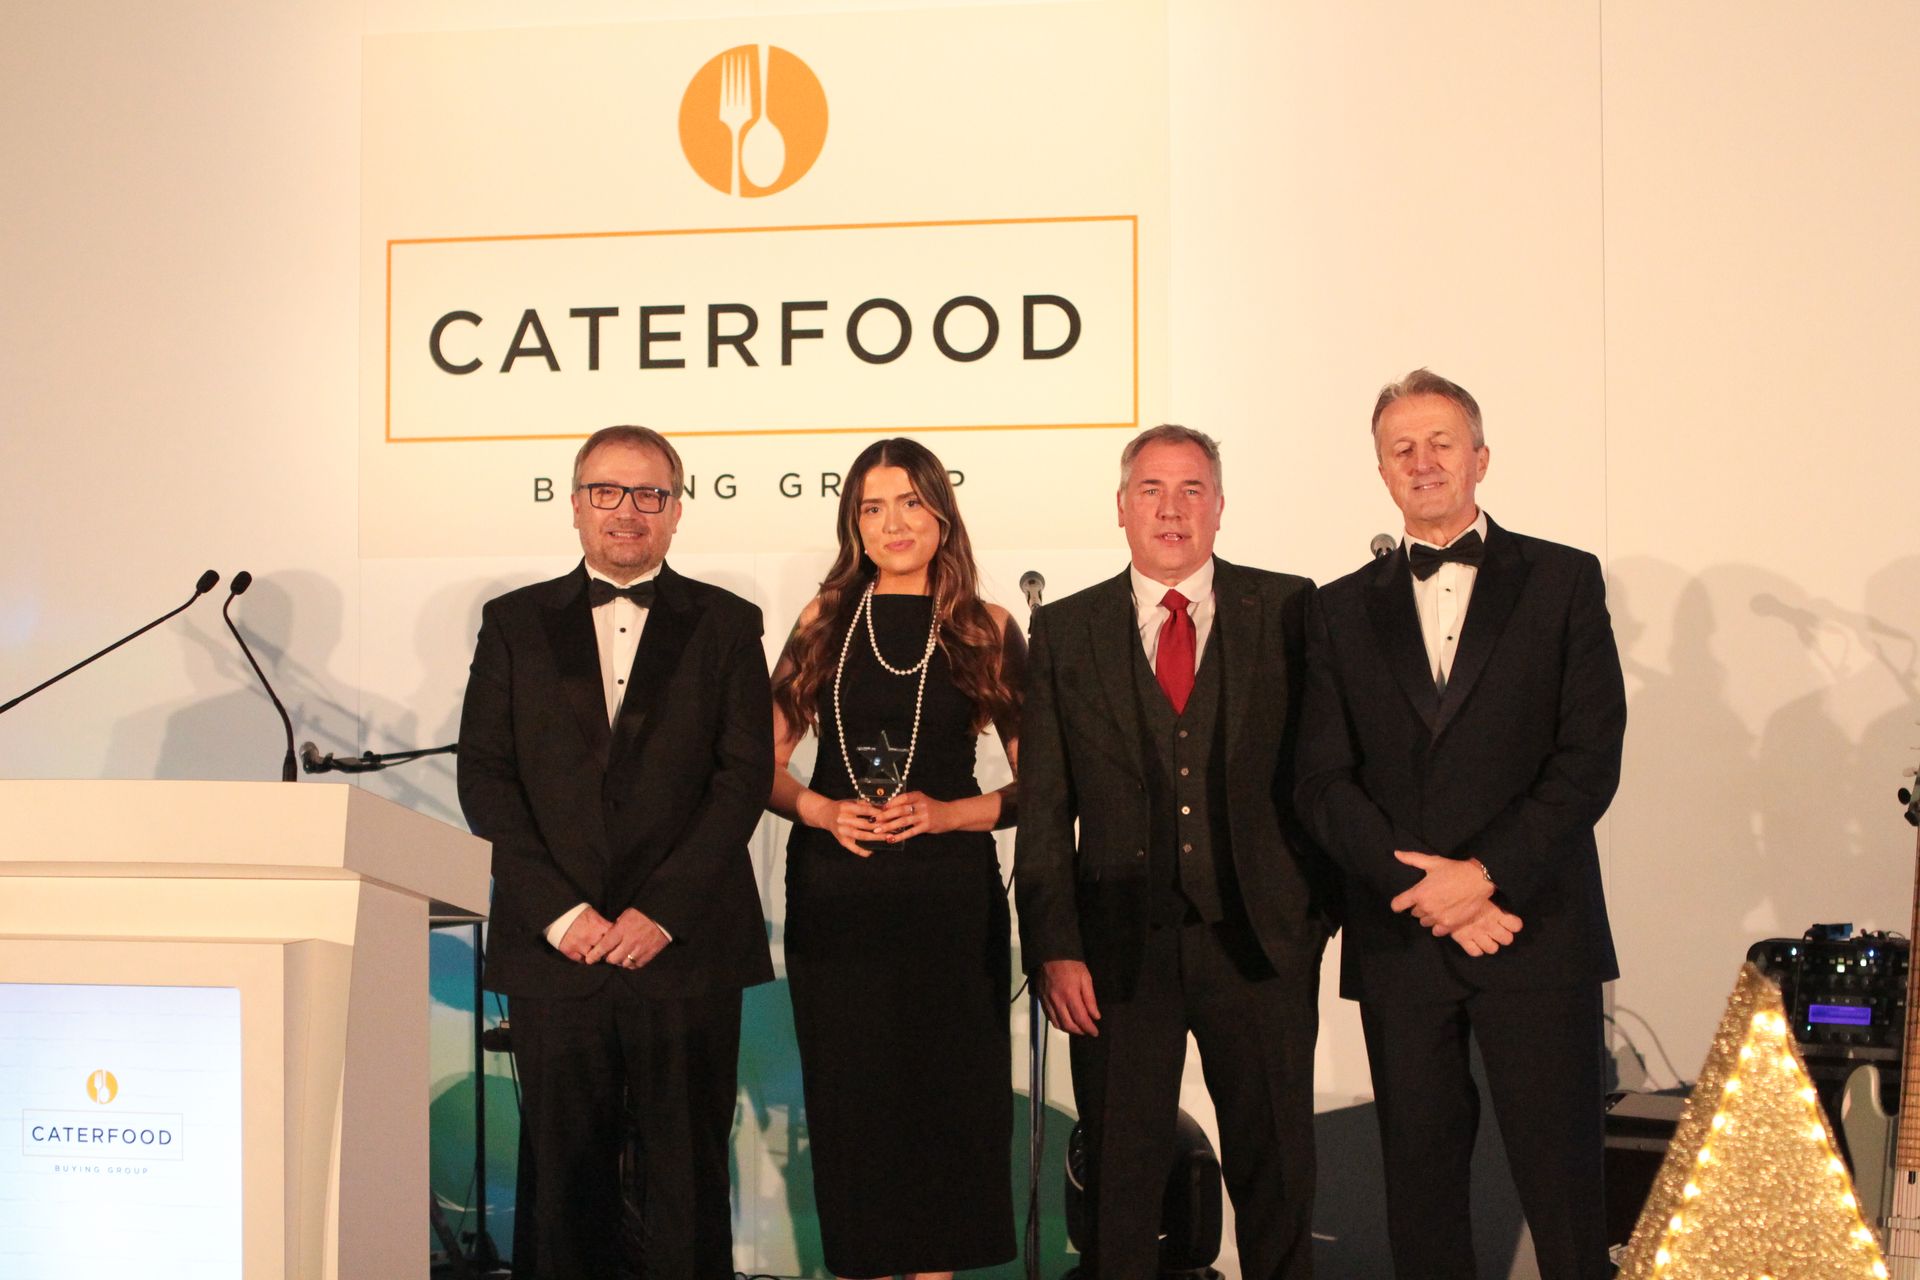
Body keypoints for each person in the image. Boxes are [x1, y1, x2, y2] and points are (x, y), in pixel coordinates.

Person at [1294, 369, 1626, 1280]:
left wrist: (1480, 878)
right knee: (1421, 1197)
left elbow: (1588, 759)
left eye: (1441, 442)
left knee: (1565, 1195)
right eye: (1401, 448)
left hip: (1534, 926)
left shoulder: (1564, 579)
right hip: (1403, 939)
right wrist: (1426, 890)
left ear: (1481, 457)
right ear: (1380, 472)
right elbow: (1321, 782)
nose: (1423, 461)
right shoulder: (1333, 608)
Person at [1015, 424, 1335, 1280]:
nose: (1171, 509)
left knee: (1278, 1179)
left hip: (1262, 946)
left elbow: (1329, 774)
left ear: (1220, 507)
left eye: (1191, 489)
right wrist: (1055, 945)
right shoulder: (1066, 629)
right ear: (1121, 508)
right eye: (1151, 490)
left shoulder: (1291, 608)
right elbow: (1044, 807)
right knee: (1120, 1192)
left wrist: (1315, 915)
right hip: (1116, 954)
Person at [457, 424, 774, 1280]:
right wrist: (561, 914)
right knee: (562, 1186)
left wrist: (660, 912)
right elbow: (485, 777)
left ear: (676, 510)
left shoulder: (728, 623)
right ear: (574, 504)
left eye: (648, 494)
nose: (626, 511)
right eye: (606, 491)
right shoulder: (513, 623)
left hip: (685, 945)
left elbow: (741, 779)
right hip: (555, 948)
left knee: (688, 1181)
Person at [767, 436, 1022, 1280]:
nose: (893, 523)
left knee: (948, 1107)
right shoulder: (824, 620)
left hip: (948, 902)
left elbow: (1045, 785)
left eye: (910, 502)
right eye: (872, 508)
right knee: (856, 1109)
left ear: (942, 513)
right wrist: (818, 808)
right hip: (837, 899)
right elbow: (757, 762)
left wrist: (950, 814)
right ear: (854, 524)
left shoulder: (986, 627)